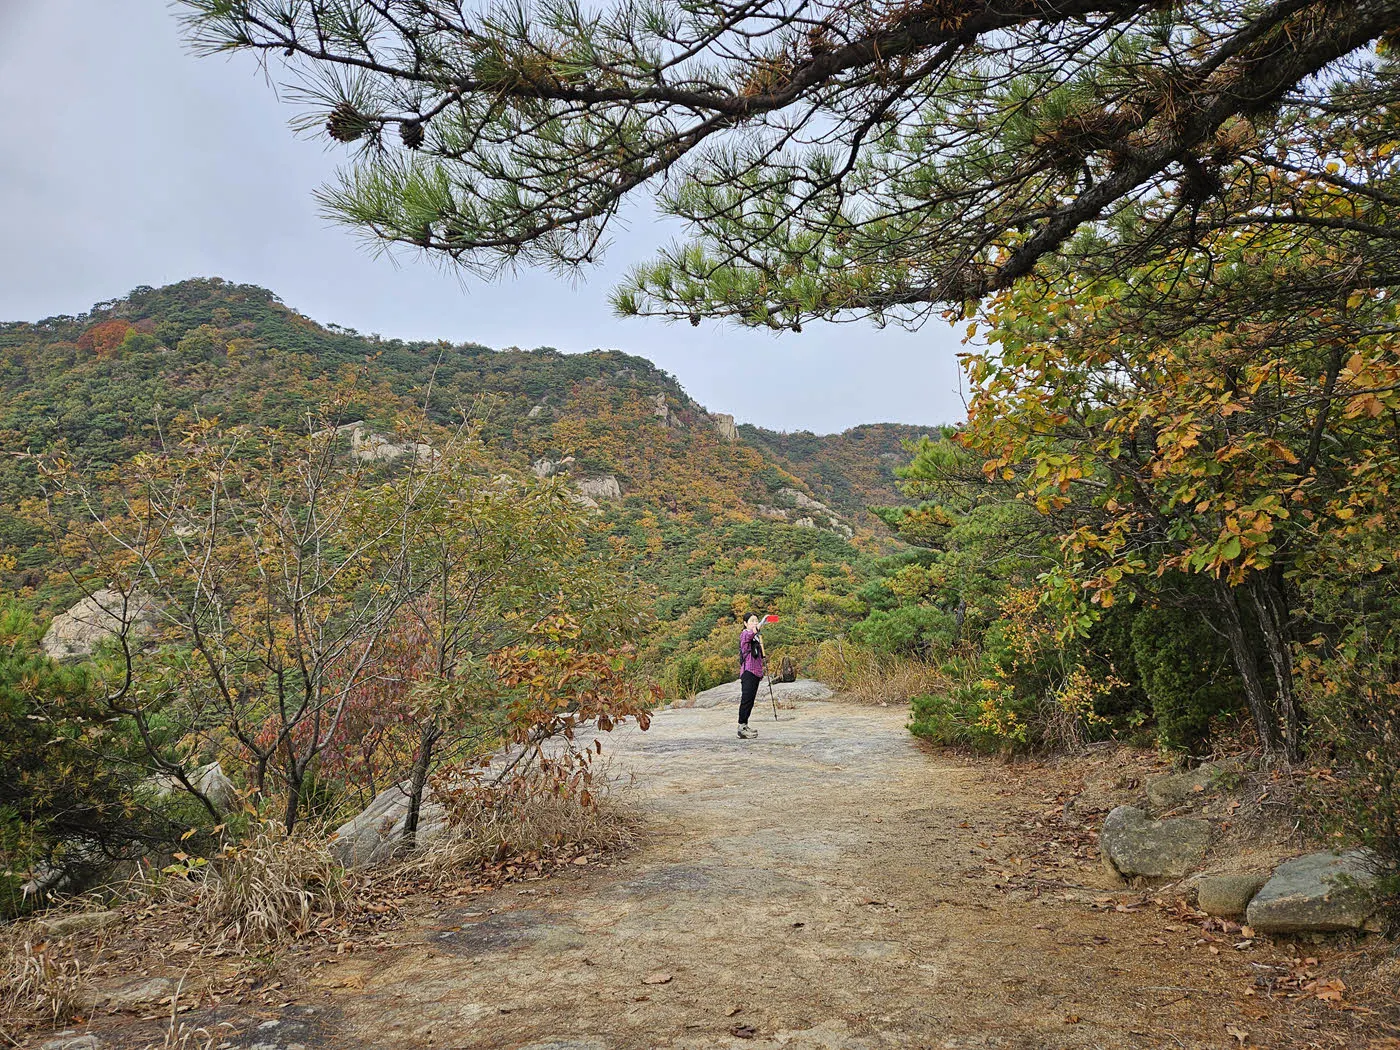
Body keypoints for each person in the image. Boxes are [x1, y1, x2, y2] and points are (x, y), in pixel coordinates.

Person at [737, 613, 766, 739]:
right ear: (745, 623)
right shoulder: (745, 634)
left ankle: (745, 725)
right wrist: (760, 625)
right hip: (748, 671)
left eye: (756, 621)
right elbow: (749, 635)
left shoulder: (756, 638)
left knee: (750, 701)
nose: (755, 623)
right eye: (752, 621)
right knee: (746, 699)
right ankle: (741, 728)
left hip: (755, 672)